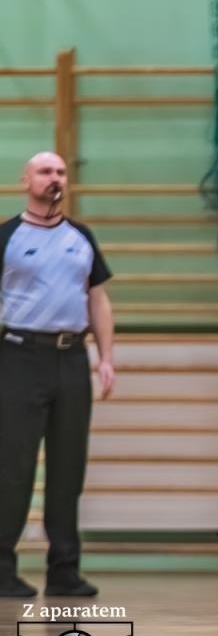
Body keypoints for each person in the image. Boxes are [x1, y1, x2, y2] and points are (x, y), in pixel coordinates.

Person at [0, 152, 115, 599]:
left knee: (69, 468)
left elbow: (98, 299)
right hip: (18, 358)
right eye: (45, 171)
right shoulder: (7, 235)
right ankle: (2, 569)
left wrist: (106, 358)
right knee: (13, 468)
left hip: (71, 360)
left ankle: (64, 570)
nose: (54, 178)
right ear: (25, 179)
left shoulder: (81, 237)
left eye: (61, 172)